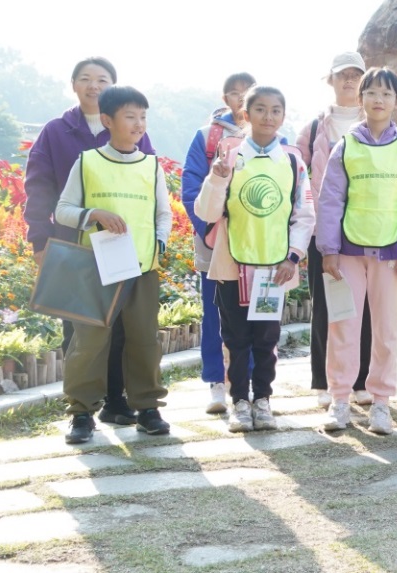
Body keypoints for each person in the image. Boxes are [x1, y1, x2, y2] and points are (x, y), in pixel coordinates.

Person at [23, 57, 155, 427]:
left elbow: (149, 181)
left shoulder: (133, 129)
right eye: (85, 78)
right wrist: (40, 239)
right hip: (75, 246)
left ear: (113, 86)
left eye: (102, 79)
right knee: (81, 330)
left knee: (123, 329)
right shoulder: (56, 131)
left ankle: (116, 401)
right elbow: (38, 187)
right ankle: (81, 410)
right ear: (73, 85)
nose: (93, 85)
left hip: (125, 248)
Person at [55, 86, 172, 444]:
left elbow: (163, 214)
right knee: (89, 341)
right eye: (130, 116)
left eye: (143, 117)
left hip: (141, 267)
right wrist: (94, 214)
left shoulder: (152, 166)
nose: (139, 124)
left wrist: (159, 243)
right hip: (95, 266)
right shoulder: (87, 162)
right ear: (107, 120)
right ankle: (81, 413)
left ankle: (148, 409)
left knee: (144, 339)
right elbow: (63, 210)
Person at [197, 85, 315, 433]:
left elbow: (304, 215)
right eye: (260, 109)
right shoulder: (230, 158)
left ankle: (262, 399)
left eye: (276, 110)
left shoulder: (292, 161)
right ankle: (239, 402)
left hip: (272, 269)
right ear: (245, 115)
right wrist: (218, 178)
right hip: (232, 265)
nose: (268, 117)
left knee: (266, 338)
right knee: (235, 338)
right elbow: (207, 212)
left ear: (283, 115)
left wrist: (292, 257)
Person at [318, 67, 397, 435]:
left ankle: (381, 403)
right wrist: (328, 249)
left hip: (392, 255)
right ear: (361, 98)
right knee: (343, 326)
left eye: (386, 93)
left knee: (385, 330)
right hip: (348, 253)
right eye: (372, 92)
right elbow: (330, 199)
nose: (378, 99)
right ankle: (339, 400)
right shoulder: (346, 146)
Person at [296, 53, 373, 409]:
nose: (349, 80)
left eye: (356, 74)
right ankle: (323, 382)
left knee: (365, 307)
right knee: (325, 307)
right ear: (331, 80)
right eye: (343, 75)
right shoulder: (314, 129)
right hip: (323, 230)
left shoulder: (374, 126)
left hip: (365, 231)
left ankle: (360, 381)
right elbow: (296, 177)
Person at [182, 72, 256, 416]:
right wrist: (209, 229)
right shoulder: (206, 136)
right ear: (225, 98)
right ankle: (215, 381)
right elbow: (191, 186)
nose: (241, 99)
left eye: (247, 93)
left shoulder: (268, 135)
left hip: (256, 244)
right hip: (213, 242)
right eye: (235, 94)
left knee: (255, 315)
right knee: (214, 315)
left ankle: (249, 381)